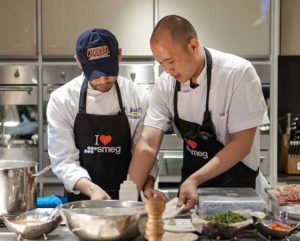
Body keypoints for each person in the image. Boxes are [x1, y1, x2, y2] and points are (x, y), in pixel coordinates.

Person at [129, 15, 269, 211]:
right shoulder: (165, 84)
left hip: (238, 193)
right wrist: (128, 197)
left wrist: (195, 179)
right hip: (190, 196)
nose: (167, 69)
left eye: (170, 61)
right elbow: (148, 143)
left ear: (193, 45)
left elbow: (242, 144)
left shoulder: (238, 74)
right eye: (161, 63)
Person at [47, 28, 165, 201]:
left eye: (109, 71)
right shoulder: (62, 100)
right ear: (79, 62)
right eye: (96, 74)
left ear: (119, 56)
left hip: (130, 199)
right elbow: (63, 161)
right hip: (82, 202)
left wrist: (147, 186)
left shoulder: (138, 96)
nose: (103, 80)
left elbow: (145, 153)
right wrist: (92, 190)